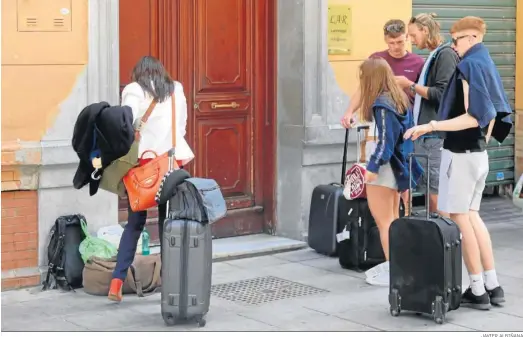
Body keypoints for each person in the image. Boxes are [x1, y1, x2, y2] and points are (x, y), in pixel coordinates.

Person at [404, 16, 512, 310]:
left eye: (457, 40)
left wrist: (431, 126)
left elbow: (474, 115)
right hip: (478, 155)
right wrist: (483, 142)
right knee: (473, 216)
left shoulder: (469, 66)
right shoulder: (486, 63)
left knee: (461, 218)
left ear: (472, 38)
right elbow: (496, 113)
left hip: (462, 154)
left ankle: (477, 289)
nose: (453, 46)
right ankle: (493, 285)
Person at [108, 56, 195, 302]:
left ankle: (116, 282)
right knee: (169, 224)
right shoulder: (176, 88)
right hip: (171, 164)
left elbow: (126, 122)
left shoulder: (135, 90)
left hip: (144, 166)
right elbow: (183, 126)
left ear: (138, 73)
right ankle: (170, 281)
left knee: (135, 224)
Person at [342, 19, 424, 216]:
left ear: (406, 38)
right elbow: (363, 89)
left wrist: (409, 84)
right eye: (391, 43)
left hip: (405, 127)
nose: (395, 47)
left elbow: (423, 95)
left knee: (404, 177)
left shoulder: (418, 62)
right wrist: (349, 111)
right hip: (378, 124)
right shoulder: (376, 60)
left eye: (399, 42)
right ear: (385, 40)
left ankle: (406, 217)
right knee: (382, 178)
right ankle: (383, 217)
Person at [355, 58, 423, 287]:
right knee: (394, 220)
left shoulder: (381, 104)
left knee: (384, 222)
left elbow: (385, 142)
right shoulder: (400, 98)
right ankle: (403, 268)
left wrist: (372, 169)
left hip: (384, 168)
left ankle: (395, 272)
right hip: (398, 166)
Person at [396, 13, 460, 217]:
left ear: (425, 30)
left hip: (435, 136)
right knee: (430, 189)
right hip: (425, 136)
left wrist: (410, 86)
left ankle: (442, 238)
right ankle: (435, 238)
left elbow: (442, 94)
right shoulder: (435, 55)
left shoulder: (446, 55)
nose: (412, 41)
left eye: (413, 35)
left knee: (436, 191)